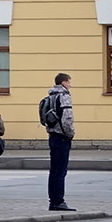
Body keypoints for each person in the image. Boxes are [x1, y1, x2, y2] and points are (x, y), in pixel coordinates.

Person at [45, 73, 76, 211]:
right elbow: (67, 118)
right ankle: (59, 201)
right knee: (61, 171)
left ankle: (53, 200)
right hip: (62, 137)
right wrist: (70, 134)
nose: (70, 85)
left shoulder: (51, 96)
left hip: (52, 135)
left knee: (54, 170)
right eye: (69, 82)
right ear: (63, 83)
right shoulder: (64, 96)